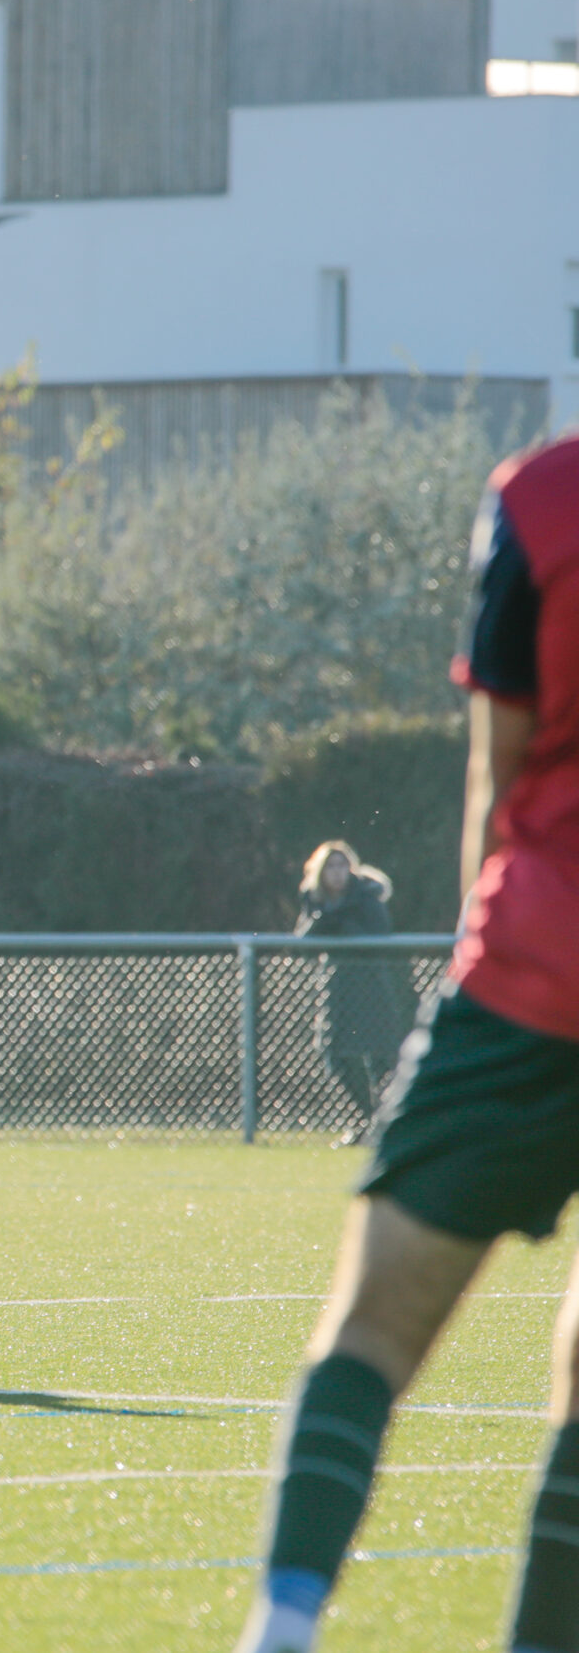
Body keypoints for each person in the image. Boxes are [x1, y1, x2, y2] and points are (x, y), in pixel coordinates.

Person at [236, 434, 579, 1653]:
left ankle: (279, 1631)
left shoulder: (538, 498)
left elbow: (497, 779)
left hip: (535, 971)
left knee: (370, 1327)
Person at [294, 841, 415, 1142]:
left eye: (342, 866)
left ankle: (387, 1127)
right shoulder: (316, 903)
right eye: (331, 867)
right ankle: (369, 1120)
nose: (337, 873)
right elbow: (304, 944)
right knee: (334, 1054)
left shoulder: (366, 898)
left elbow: (377, 937)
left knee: (380, 1060)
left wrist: (342, 923)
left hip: (372, 986)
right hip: (336, 989)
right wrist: (326, 920)